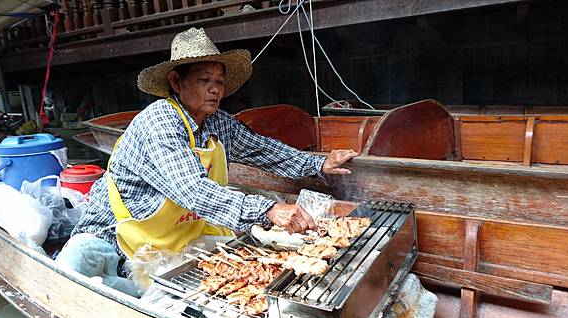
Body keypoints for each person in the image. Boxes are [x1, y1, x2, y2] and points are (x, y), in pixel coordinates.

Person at [56, 27, 357, 296]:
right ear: (176, 81)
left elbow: (262, 149)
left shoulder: (216, 122)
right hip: (119, 238)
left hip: (173, 239)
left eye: (219, 81)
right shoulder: (160, 120)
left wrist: (317, 164)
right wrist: (268, 208)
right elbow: (192, 190)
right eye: (204, 80)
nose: (215, 89)